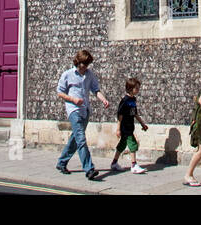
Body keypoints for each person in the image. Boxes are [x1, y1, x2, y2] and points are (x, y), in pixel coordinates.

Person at [55, 49, 110, 180]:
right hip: (73, 111)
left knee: (75, 138)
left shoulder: (89, 74)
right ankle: (89, 169)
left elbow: (96, 89)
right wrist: (73, 99)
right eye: (83, 64)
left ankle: (61, 162)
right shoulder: (67, 74)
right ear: (78, 62)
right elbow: (60, 92)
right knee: (81, 140)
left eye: (87, 64)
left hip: (85, 111)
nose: (85, 67)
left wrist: (103, 99)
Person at [108, 77, 149, 174]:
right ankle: (134, 165)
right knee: (133, 144)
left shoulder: (133, 100)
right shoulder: (125, 100)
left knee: (122, 145)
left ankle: (114, 163)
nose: (138, 90)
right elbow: (120, 115)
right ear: (130, 88)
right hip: (125, 127)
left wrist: (142, 123)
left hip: (130, 126)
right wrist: (118, 129)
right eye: (136, 88)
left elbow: (134, 113)